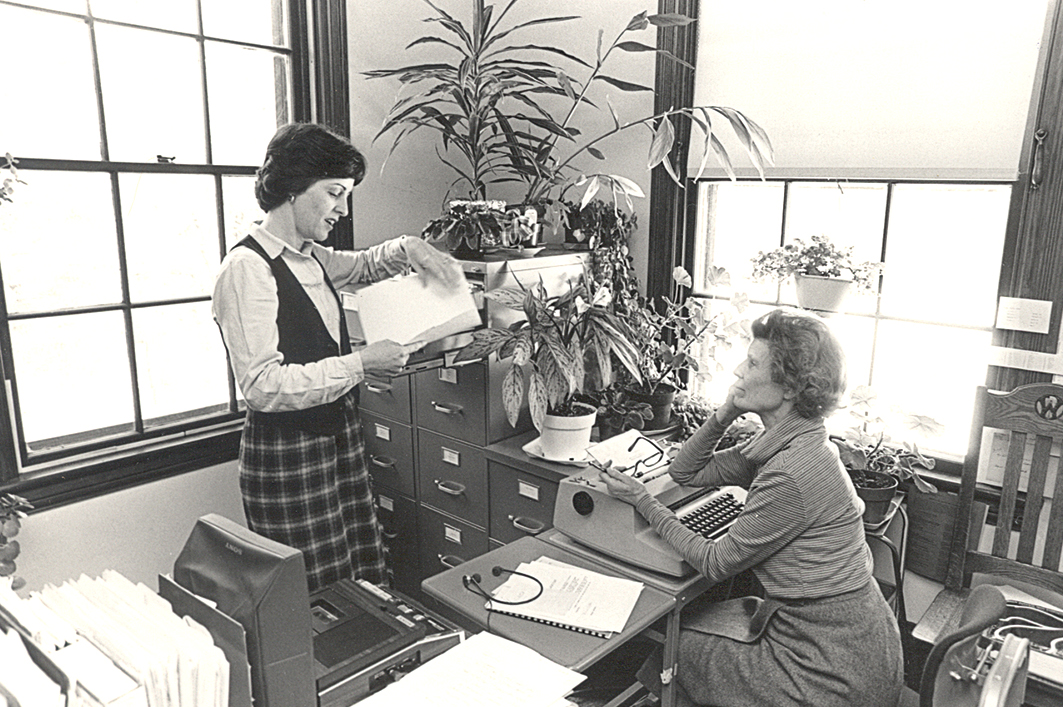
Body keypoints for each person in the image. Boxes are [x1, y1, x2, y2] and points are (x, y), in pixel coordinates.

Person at [598, 308, 903, 707]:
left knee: (681, 646)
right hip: (850, 637)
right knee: (701, 623)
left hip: (834, 667)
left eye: (754, 362)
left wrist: (643, 501)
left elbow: (715, 562)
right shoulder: (794, 441)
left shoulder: (791, 471)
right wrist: (725, 413)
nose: (739, 369)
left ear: (790, 386)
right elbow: (686, 471)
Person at [212, 122, 463, 592]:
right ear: (293, 189)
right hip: (287, 456)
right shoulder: (247, 269)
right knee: (318, 593)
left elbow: (364, 266)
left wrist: (411, 247)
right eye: (334, 194)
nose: (342, 210)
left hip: (336, 436)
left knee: (359, 571)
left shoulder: (307, 256)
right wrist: (363, 364)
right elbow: (263, 386)